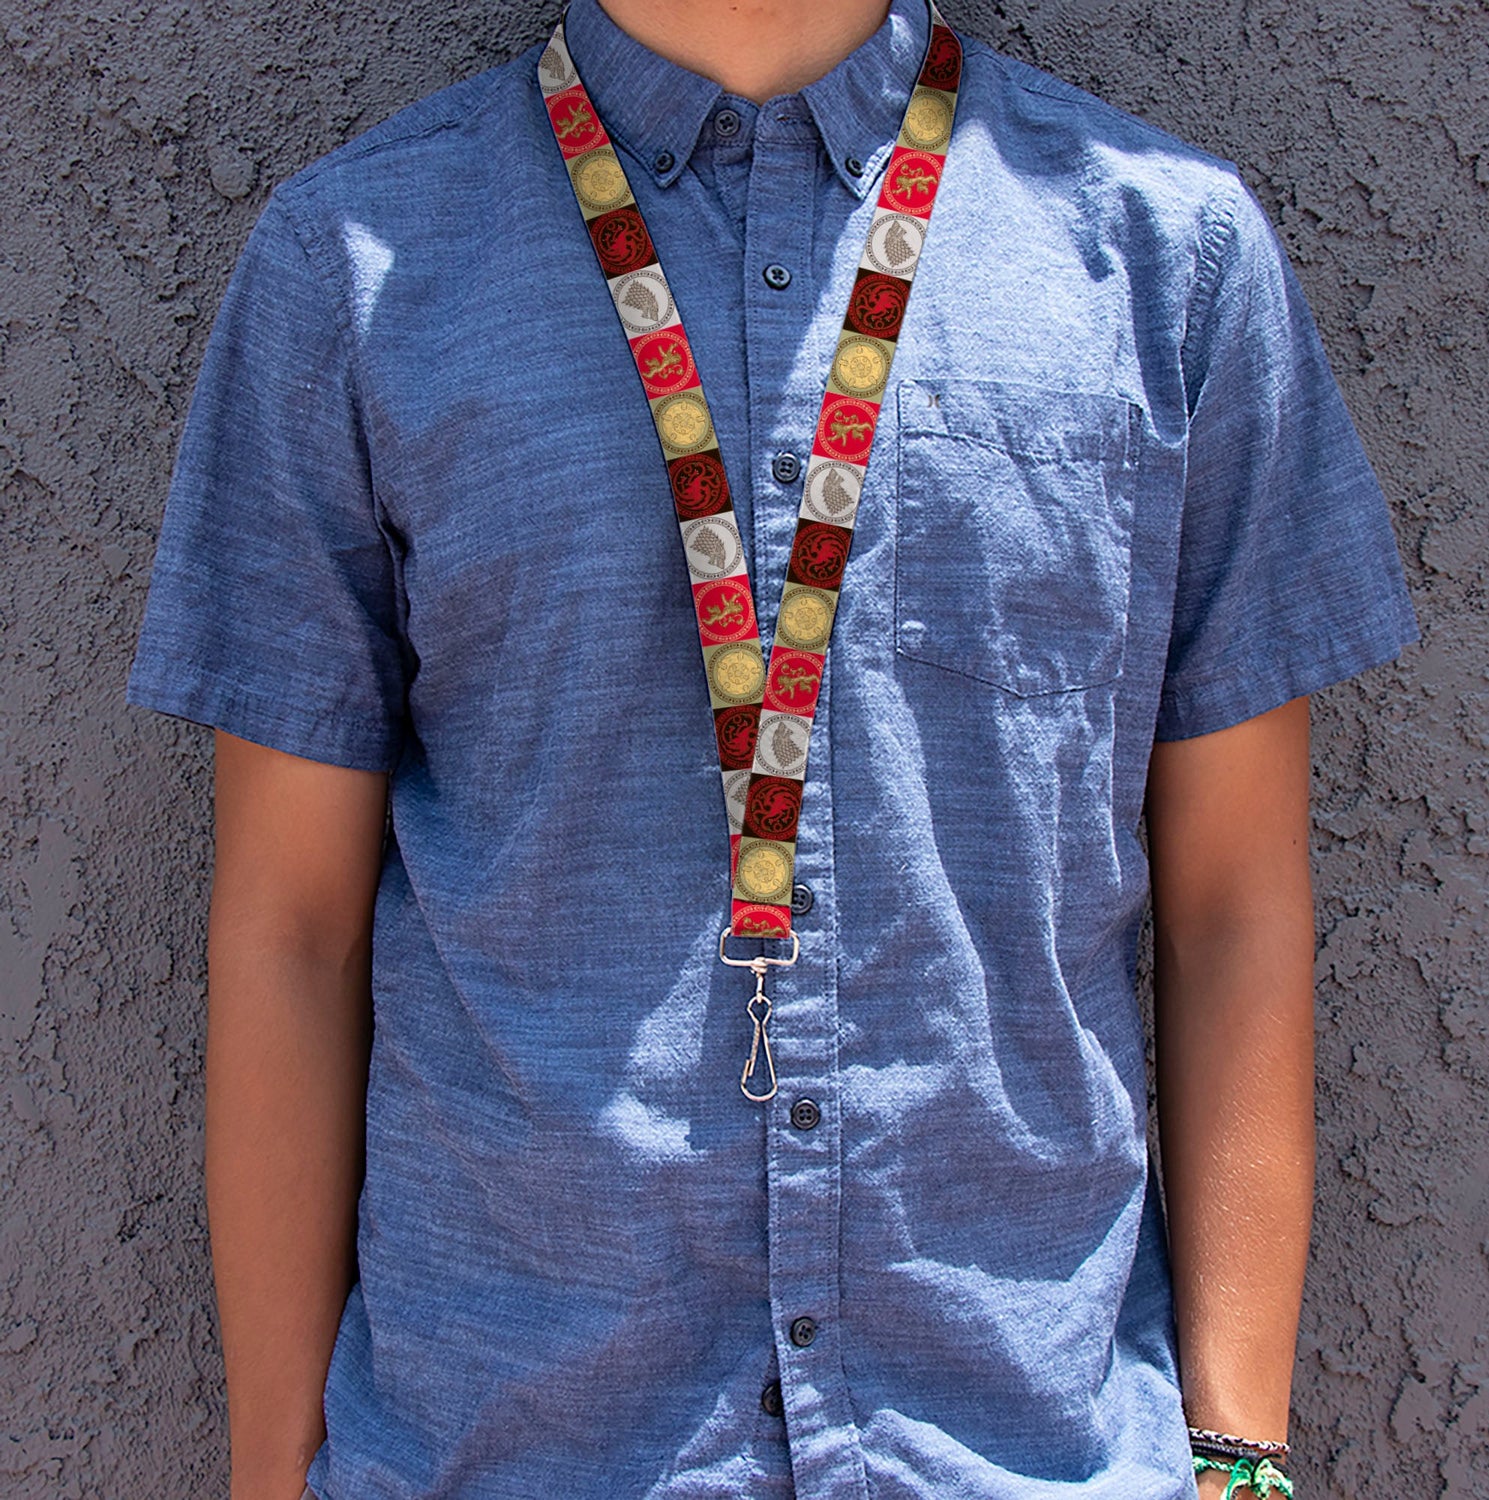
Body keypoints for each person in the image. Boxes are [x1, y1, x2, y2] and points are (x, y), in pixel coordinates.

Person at [124, 0, 1418, 1495]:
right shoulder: (349, 270)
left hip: (1024, 1448)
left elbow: (1234, 908)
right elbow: (289, 930)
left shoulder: (1167, 261)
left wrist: (1239, 1458)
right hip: (514, 1445)